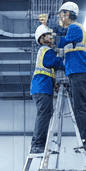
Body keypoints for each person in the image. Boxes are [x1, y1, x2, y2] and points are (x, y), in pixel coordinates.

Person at [56, 1, 86, 153]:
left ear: (68, 14)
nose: (60, 18)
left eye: (61, 15)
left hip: (80, 73)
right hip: (77, 73)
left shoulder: (74, 28)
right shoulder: (72, 30)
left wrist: (50, 32)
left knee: (81, 108)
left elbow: (62, 42)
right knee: (81, 108)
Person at [30, 23, 65, 154]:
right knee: (44, 115)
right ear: (42, 38)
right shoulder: (46, 50)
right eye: (49, 35)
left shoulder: (45, 52)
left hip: (43, 87)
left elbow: (48, 71)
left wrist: (54, 83)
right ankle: (37, 145)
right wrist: (63, 63)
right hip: (42, 87)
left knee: (45, 115)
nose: (51, 38)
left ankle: (40, 144)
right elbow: (50, 63)